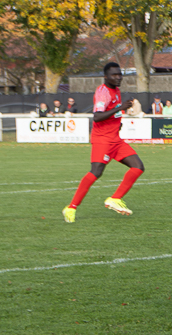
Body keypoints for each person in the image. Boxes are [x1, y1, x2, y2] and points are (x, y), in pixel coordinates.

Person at [62, 62, 145, 223]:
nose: (118, 77)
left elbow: (111, 114)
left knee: (138, 166)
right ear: (105, 77)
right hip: (103, 140)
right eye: (114, 75)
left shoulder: (116, 90)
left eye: (120, 74)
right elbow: (97, 116)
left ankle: (115, 199)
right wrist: (120, 108)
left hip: (115, 139)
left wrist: (118, 120)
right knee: (96, 171)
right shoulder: (103, 92)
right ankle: (71, 207)